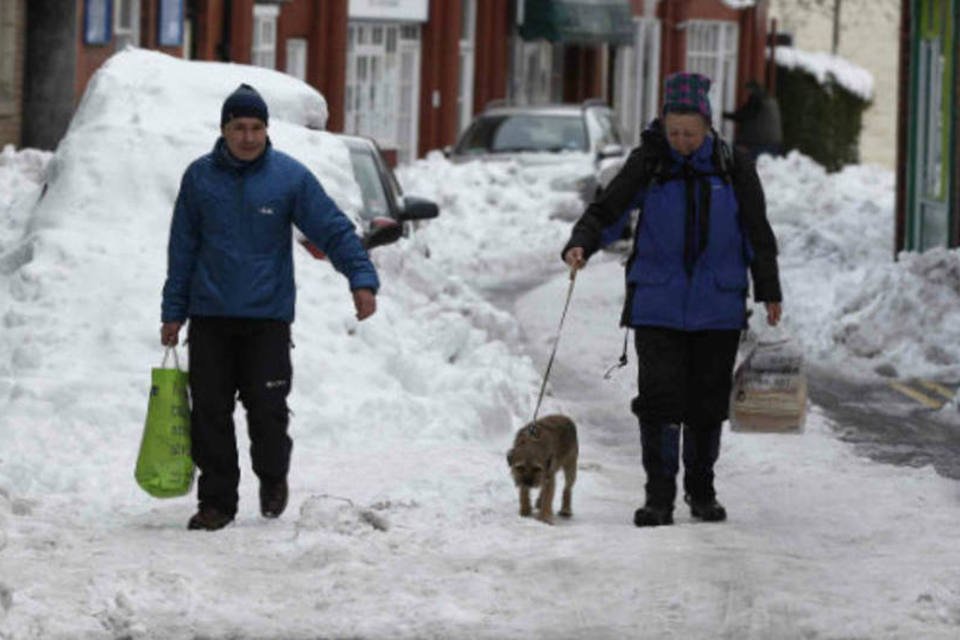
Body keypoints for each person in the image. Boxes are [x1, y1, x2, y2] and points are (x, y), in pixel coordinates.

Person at [562, 72, 783, 527]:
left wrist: (769, 290)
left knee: (706, 403)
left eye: (690, 133)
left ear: (707, 127)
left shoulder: (733, 166)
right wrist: (581, 241)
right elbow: (609, 210)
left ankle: (701, 492)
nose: (681, 141)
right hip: (657, 302)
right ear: (663, 124)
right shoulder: (650, 162)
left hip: (718, 305)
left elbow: (757, 233)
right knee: (659, 400)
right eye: (673, 131)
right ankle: (658, 497)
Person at [160, 84, 380, 531]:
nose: (248, 136)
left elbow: (334, 231)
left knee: (267, 411)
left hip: (267, 318)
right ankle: (217, 502)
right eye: (239, 127)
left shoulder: (288, 178)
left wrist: (361, 279)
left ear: (266, 129)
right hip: (210, 317)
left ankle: (273, 474)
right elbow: (181, 248)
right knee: (210, 413)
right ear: (223, 130)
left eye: (256, 127)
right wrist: (173, 310)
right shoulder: (199, 179)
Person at [722, 80, 784, 160]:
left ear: (751, 90)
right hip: (773, 144)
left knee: (741, 161)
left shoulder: (757, 99)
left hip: (761, 144)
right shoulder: (770, 100)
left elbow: (745, 115)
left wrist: (723, 115)